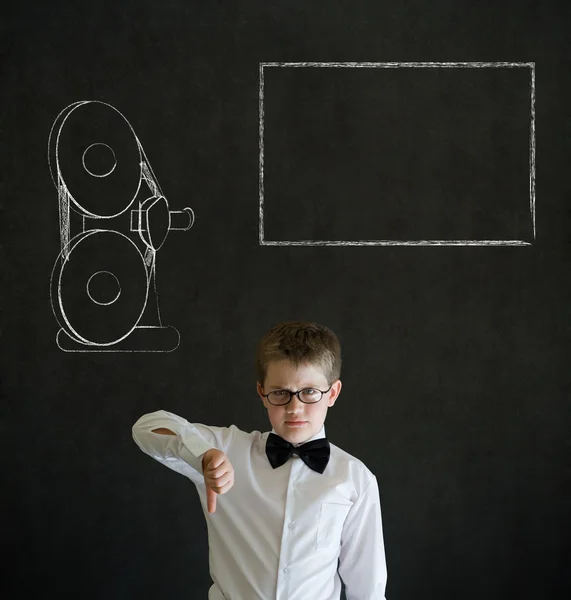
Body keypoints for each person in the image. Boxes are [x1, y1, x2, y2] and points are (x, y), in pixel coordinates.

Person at [132, 320, 388, 599]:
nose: (295, 408)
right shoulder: (228, 449)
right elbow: (146, 428)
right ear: (262, 394)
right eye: (280, 393)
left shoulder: (355, 478)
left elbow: (368, 588)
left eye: (310, 392)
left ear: (333, 393)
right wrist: (202, 454)